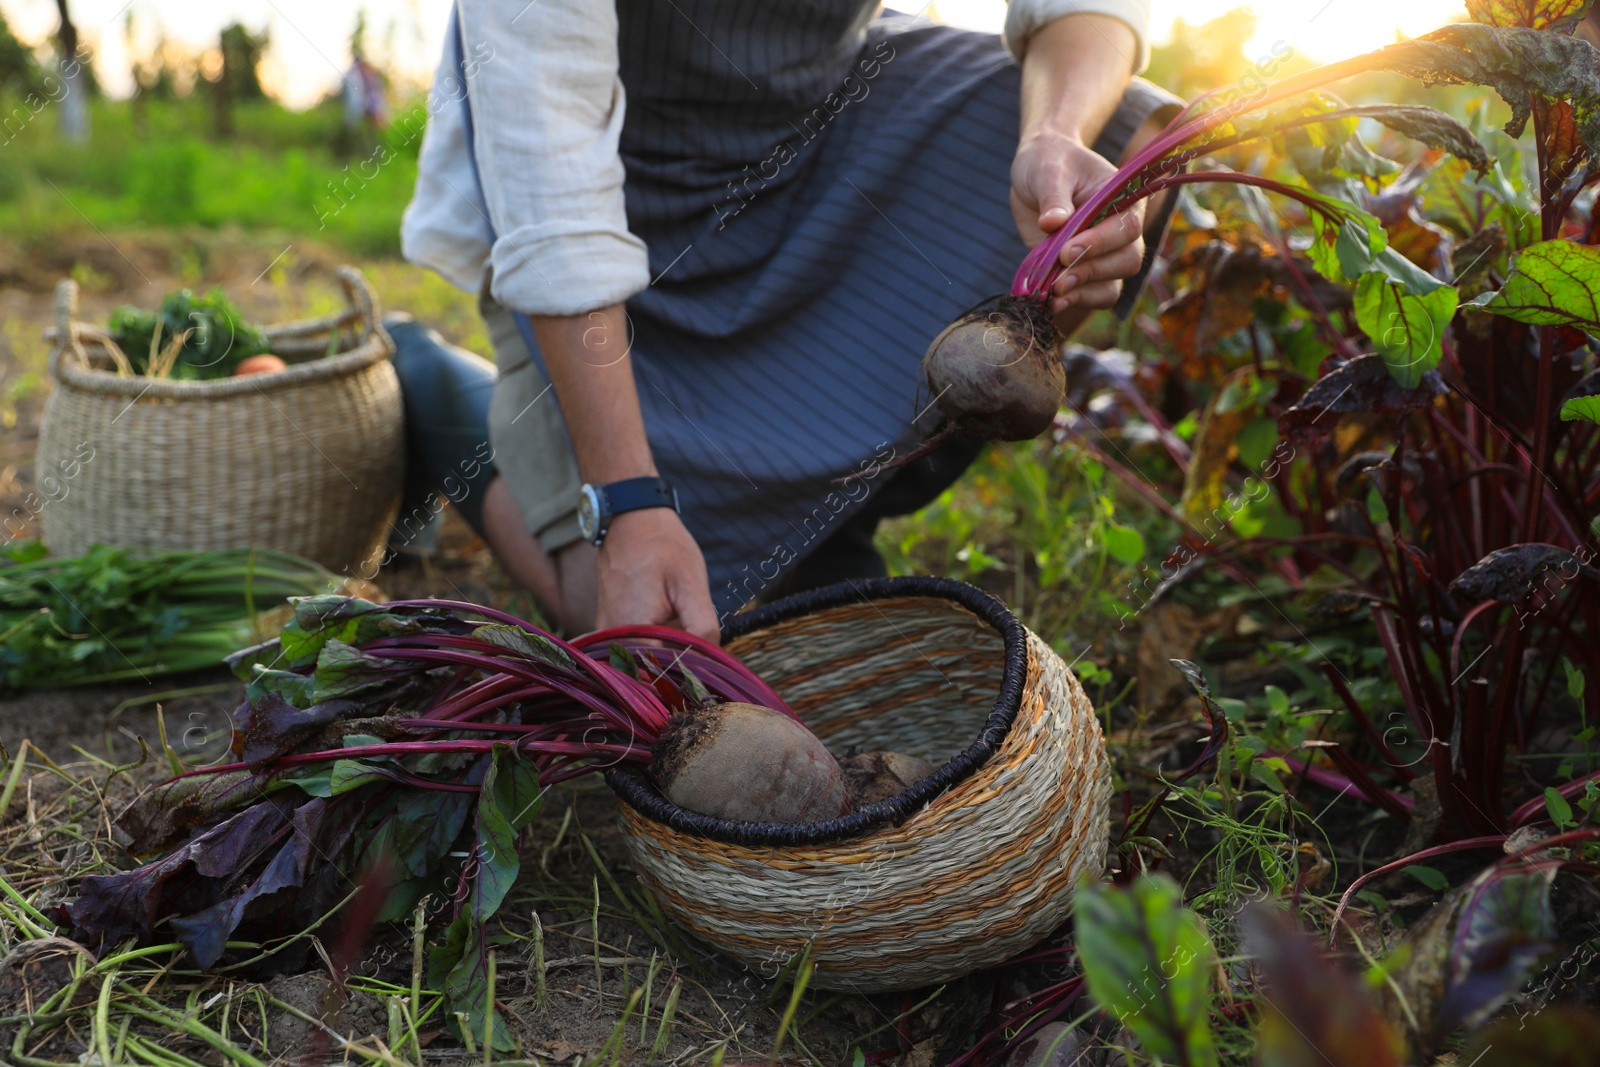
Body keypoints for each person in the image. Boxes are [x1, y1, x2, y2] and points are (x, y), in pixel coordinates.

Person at [399, 0, 1180, 643]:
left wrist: (1056, 131)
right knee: (617, 619)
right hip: (601, 193)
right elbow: (551, 184)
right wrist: (629, 504)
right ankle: (423, 375)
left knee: (1131, 144)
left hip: (814, 141)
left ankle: (812, 524)